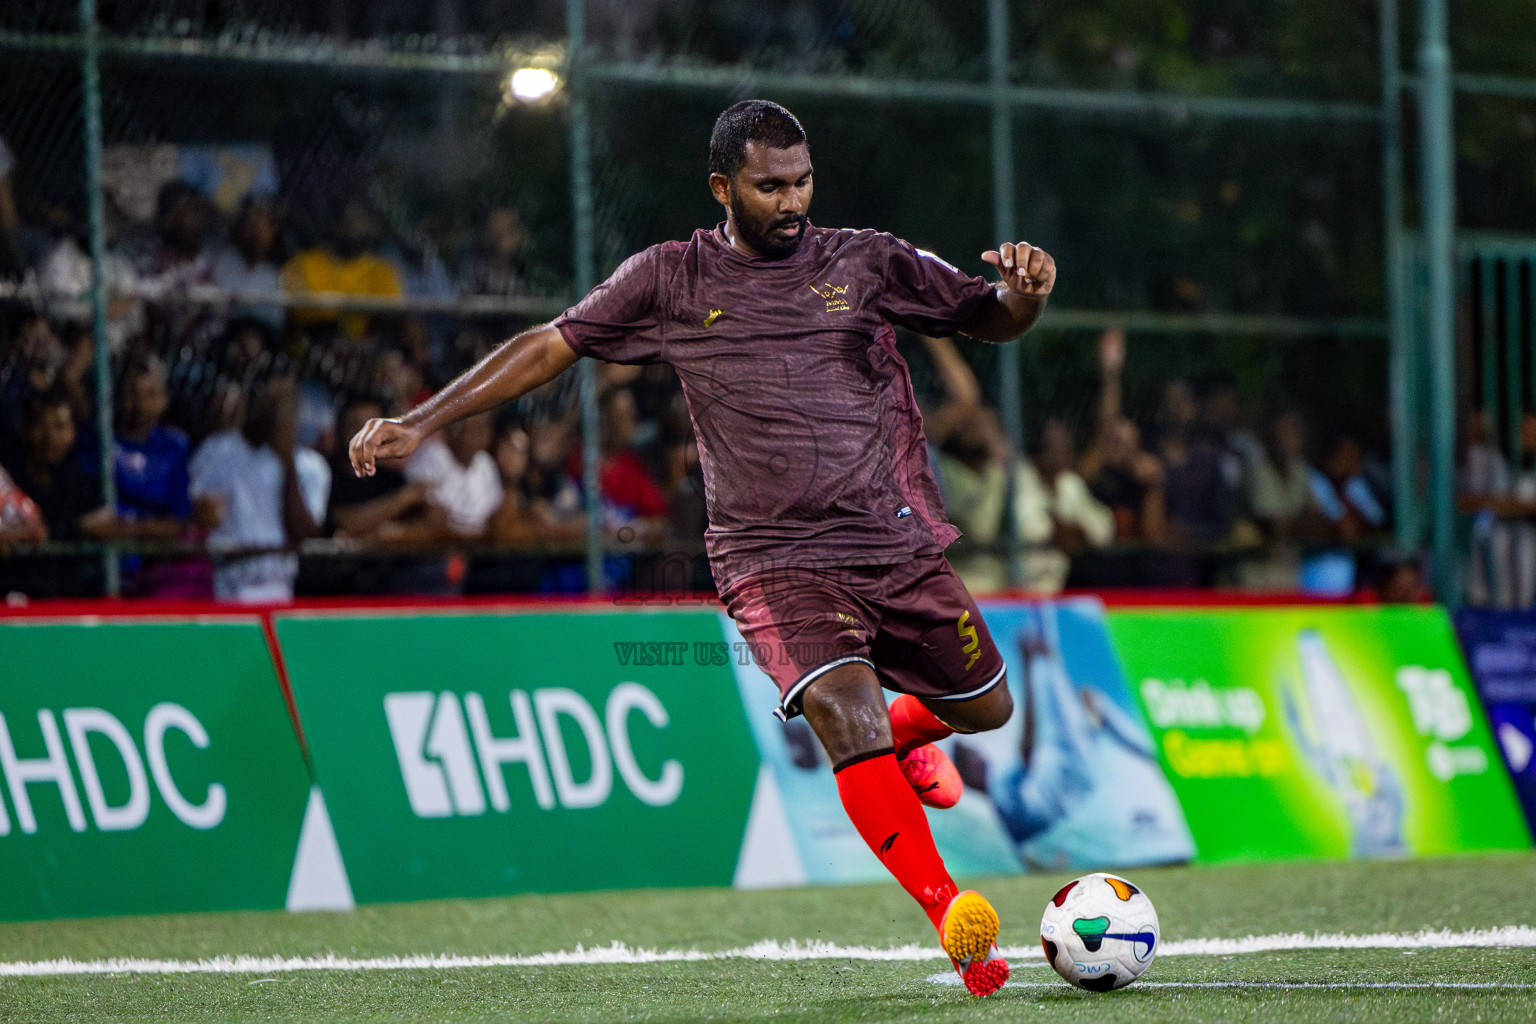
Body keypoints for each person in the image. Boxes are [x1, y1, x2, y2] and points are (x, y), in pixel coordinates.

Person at [350, 100, 1056, 997]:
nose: (792, 200)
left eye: (802, 181)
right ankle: (958, 923)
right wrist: (419, 422)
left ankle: (913, 729)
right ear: (723, 187)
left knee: (987, 710)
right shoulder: (670, 279)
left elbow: (982, 315)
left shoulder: (867, 259)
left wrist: (1024, 296)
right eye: (770, 186)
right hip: (771, 559)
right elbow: (549, 345)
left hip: (894, 541)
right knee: (846, 715)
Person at [190, 376, 329, 602]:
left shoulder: (310, 465)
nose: (276, 409)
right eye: (270, 399)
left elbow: (305, 533)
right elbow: (202, 517)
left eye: (287, 405)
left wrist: (286, 461)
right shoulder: (218, 449)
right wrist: (206, 510)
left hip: (279, 585)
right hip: (229, 585)